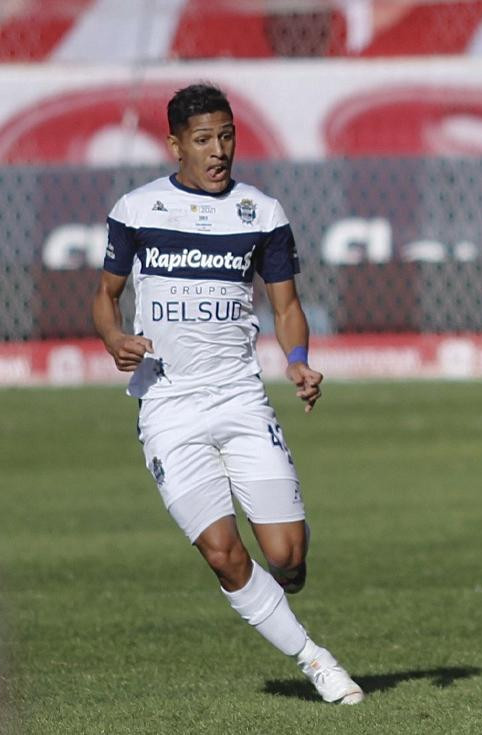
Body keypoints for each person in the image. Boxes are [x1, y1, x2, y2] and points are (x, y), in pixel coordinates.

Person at [92, 83, 363, 705]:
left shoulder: (261, 213)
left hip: (240, 399)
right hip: (167, 404)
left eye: (227, 136)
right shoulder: (137, 210)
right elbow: (105, 296)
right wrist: (114, 338)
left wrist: (298, 362)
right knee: (223, 553)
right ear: (175, 145)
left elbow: (286, 306)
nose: (219, 151)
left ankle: (286, 582)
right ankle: (314, 658)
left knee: (287, 555)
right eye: (203, 139)